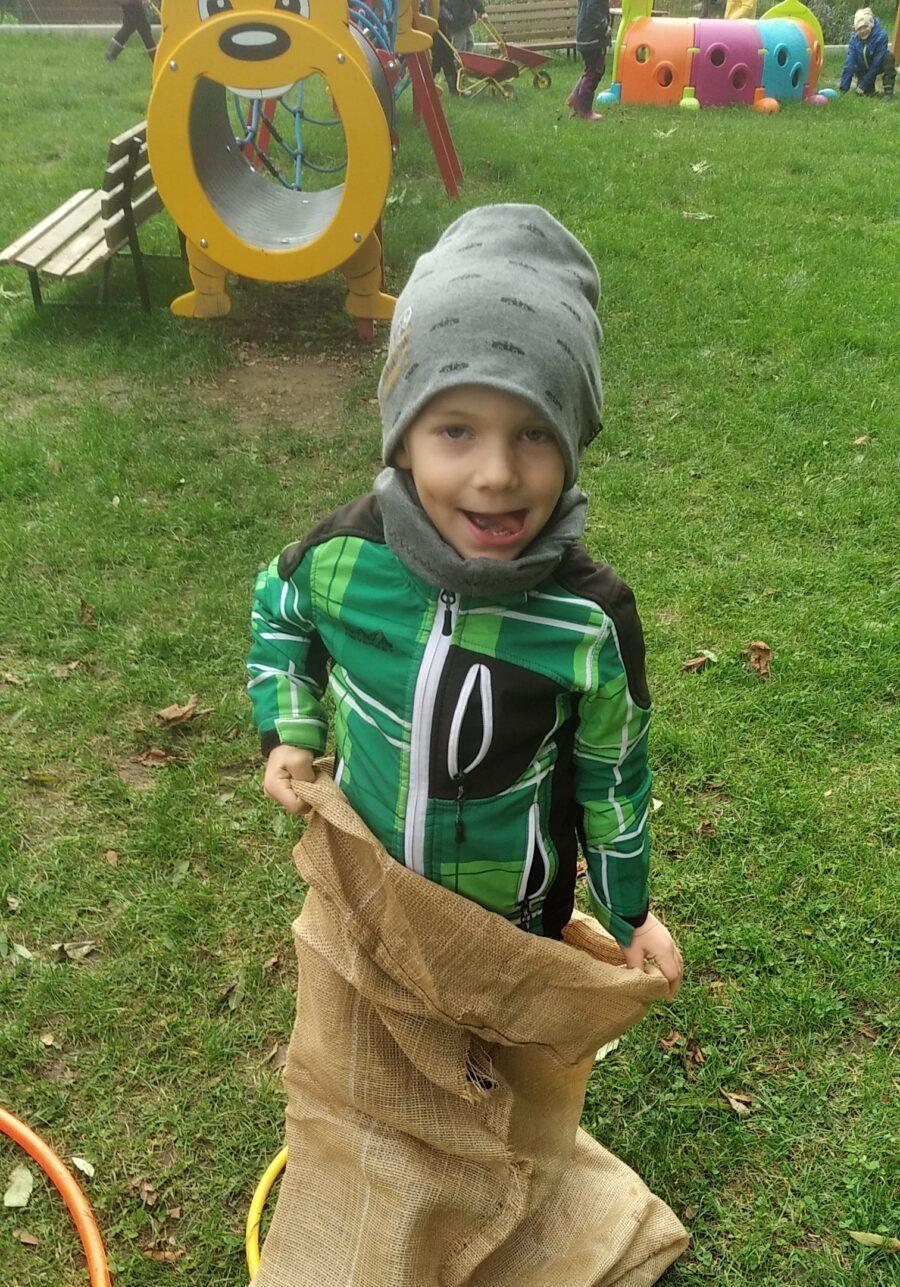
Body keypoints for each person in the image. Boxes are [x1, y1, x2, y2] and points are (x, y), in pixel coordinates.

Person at [248, 204, 683, 996]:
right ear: (402, 435)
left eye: (534, 432)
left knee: (491, 1064)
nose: (496, 474)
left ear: (573, 442)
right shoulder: (343, 557)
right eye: (456, 430)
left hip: (512, 927)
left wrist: (630, 914)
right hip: (371, 892)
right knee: (368, 1056)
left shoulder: (586, 623)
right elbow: (281, 614)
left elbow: (611, 780)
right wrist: (290, 731)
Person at [567, 0, 610, 120]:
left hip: (586, 36)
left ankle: (575, 98)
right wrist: (604, 27)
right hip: (592, 38)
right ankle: (585, 110)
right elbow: (592, 10)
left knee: (591, 69)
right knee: (594, 72)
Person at [839, 7, 895, 97]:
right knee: (866, 94)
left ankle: (888, 91)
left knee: (888, 57)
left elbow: (876, 63)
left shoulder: (881, 36)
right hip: (862, 69)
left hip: (877, 65)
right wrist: (843, 89)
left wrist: (863, 84)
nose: (862, 31)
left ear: (871, 25)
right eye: (859, 29)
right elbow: (849, 64)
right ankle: (867, 88)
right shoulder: (854, 40)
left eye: (865, 27)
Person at [105, 0, 156, 65]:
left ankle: (111, 53)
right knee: (143, 28)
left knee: (129, 26)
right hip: (132, 3)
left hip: (130, 3)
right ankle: (156, 58)